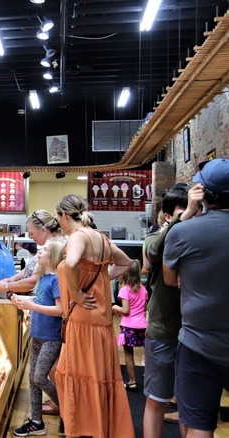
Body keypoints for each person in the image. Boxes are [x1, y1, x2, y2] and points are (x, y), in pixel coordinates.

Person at [54, 194, 133, 438]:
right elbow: (126, 263)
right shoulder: (100, 237)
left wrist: (77, 293)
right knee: (98, 375)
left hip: (83, 319)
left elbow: (71, 263)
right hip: (101, 320)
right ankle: (99, 428)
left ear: (64, 215)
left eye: (58, 218)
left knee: (75, 373)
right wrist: (101, 278)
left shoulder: (78, 236)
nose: (59, 223)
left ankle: (82, 428)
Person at [163, 158, 229, 437]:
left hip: (197, 343)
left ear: (202, 193)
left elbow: (169, 279)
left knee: (198, 425)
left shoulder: (182, 231)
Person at [142, 182, 189, 437]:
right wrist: (179, 222)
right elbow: (151, 252)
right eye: (184, 211)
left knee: (189, 405)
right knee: (157, 398)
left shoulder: (195, 237)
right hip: (163, 332)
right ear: (168, 216)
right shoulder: (156, 237)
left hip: (193, 333)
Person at [11, 238, 65, 436]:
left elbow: (60, 309)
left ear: (53, 256)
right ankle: (36, 422)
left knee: (39, 377)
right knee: (33, 379)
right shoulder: (43, 277)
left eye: (44, 250)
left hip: (51, 337)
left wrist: (31, 305)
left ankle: (68, 408)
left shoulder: (57, 279)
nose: (39, 251)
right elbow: (41, 301)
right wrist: (24, 302)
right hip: (37, 335)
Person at [0, 210, 63, 296]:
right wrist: (12, 279)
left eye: (31, 233)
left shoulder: (55, 248)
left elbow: (33, 282)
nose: (30, 237)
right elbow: (31, 268)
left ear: (43, 231)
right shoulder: (46, 247)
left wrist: (7, 286)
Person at [112, 259, 148, 391]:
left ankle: (132, 382)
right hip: (142, 326)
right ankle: (149, 380)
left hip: (129, 327)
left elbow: (126, 310)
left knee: (128, 354)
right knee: (147, 353)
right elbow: (144, 308)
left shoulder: (124, 290)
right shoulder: (143, 289)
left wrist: (115, 307)